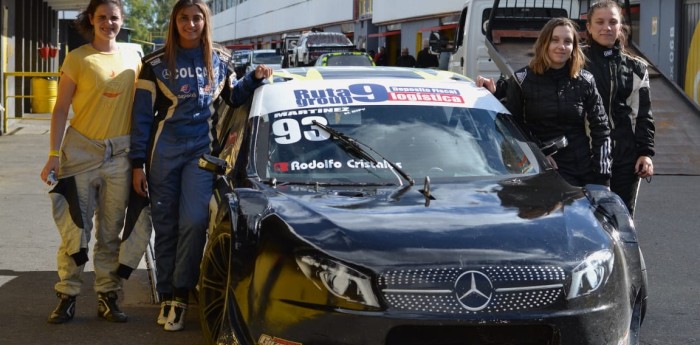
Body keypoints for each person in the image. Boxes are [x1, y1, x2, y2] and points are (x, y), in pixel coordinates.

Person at [129, 0, 272, 332]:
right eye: (183, 18)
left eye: (196, 18)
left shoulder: (220, 59)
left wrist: (257, 78)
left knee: (193, 222)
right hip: (162, 153)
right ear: (174, 22)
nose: (190, 24)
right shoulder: (154, 63)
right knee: (165, 227)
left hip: (201, 153)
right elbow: (140, 120)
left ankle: (181, 294)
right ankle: (167, 295)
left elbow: (233, 98)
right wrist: (137, 164)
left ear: (206, 22)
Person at [39, 0, 141, 324]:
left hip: (120, 157)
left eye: (114, 17)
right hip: (81, 154)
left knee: (111, 232)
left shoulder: (134, 57)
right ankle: (67, 296)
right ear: (91, 20)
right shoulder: (77, 58)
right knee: (75, 230)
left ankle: (107, 297)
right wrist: (53, 155)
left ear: (122, 20)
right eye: (102, 17)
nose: (108, 23)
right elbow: (60, 109)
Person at [502, 17, 612, 187]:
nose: (561, 46)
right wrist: (538, 154)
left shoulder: (586, 80)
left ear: (574, 47)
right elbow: (511, 127)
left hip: (584, 169)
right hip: (542, 170)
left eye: (568, 41)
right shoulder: (522, 80)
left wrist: (602, 174)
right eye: (555, 40)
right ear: (544, 43)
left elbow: (601, 128)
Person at [584, 0, 655, 216]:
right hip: (584, 155)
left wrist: (645, 152)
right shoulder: (574, 60)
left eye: (612, 22)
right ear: (589, 26)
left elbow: (643, 114)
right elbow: (535, 78)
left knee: (622, 220)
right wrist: (497, 87)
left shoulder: (636, 67)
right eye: (600, 22)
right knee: (586, 221)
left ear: (620, 25)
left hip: (625, 157)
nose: (607, 27)